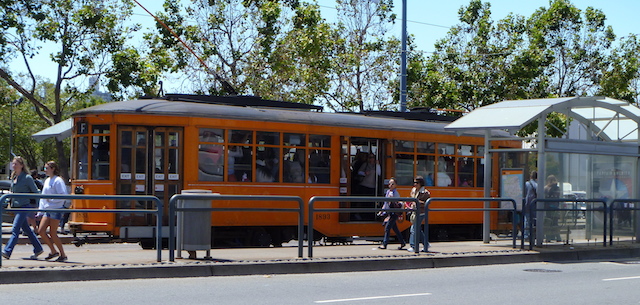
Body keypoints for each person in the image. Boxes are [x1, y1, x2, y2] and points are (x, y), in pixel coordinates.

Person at [1, 157, 44, 260]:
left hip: (24, 207)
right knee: (27, 229)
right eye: (13, 164)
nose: (13, 166)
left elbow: (35, 192)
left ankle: (7, 251)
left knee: (15, 229)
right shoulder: (14, 177)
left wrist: (38, 206)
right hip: (16, 207)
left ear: (21, 165)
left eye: (16, 164)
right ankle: (38, 248)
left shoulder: (27, 178)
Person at [37, 161, 69, 262]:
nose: (45, 170)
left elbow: (63, 195)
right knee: (41, 231)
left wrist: (51, 200)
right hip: (47, 209)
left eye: (47, 168)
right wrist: (40, 211)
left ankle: (63, 255)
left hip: (56, 209)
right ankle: (53, 251)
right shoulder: (47, 181)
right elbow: (43, 196)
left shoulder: (58, 180)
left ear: (53, 169)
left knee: (53, 233)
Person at [377, 178, 406, 250]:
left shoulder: (395, 193)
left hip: (394, 213)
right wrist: (382, 211)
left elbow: (397, 203)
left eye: (392, 184)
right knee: (395, 229)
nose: (390, 185)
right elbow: (386, 203)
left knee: (387, 228)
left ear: (396, 185)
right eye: (389, 184)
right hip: (390, 212)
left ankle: (384, 244)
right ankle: (402, 242)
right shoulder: (388, 192)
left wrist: (392, 200)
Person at [407, 176, 430, 252]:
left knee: (413, 228)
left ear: (421, 183)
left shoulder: (425, 192)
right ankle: (426, 244)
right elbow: (411, 198)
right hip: (414, 211)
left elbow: (426, 203)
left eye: (417, 182)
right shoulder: (413, 190)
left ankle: (413, 246)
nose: (415, 184)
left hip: (421, 212)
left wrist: (416, 201)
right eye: (414, 182)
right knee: (418, 229)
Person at [543, 174, 561, 242]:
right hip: (555, 207)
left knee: (548, 223)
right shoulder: (557, 188)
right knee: (555, 223)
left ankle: (548, 238)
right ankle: (558, 237)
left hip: (548, 208)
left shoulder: (546, 188)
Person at [523, 171, 538, 239]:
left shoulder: (527, 184)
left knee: (527, 220)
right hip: (535, 204)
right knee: (535, 219)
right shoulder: (538, 184)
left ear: (530, 177)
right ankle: (534, 234)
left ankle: (526, 235)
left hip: (527, 204)